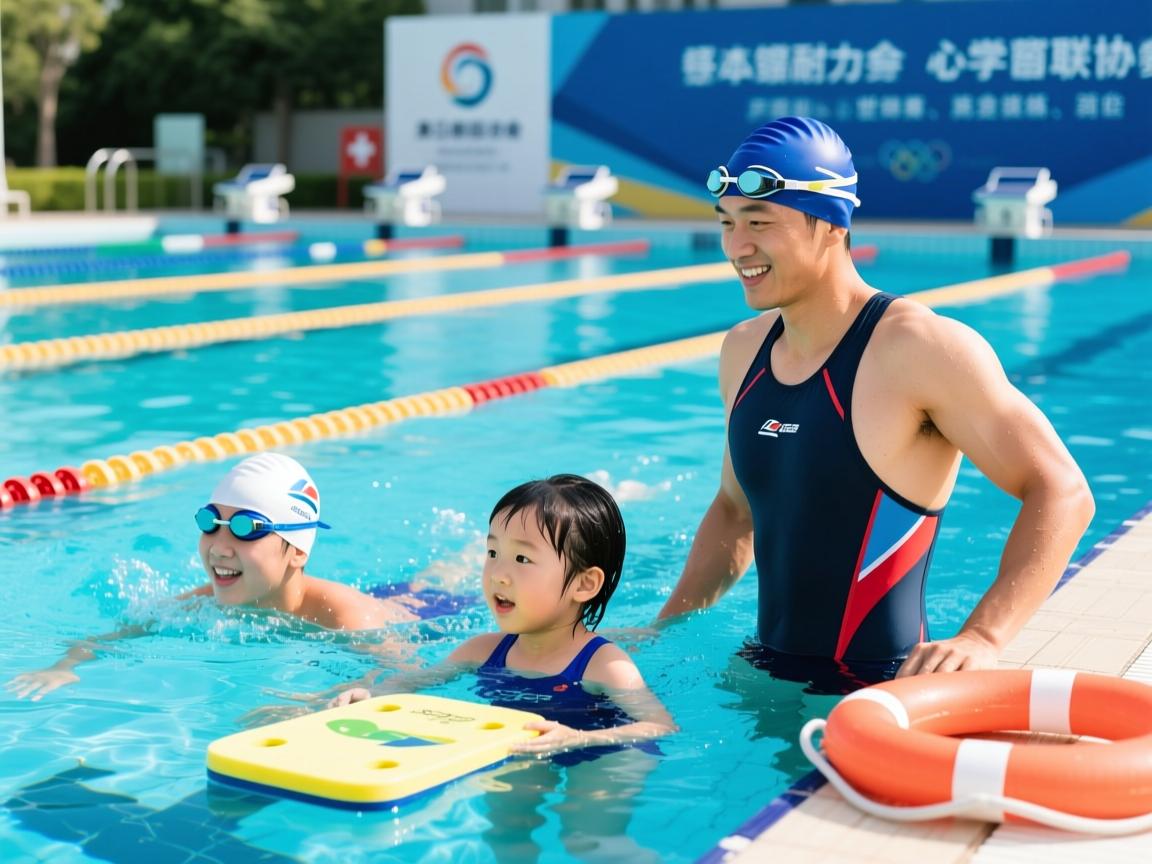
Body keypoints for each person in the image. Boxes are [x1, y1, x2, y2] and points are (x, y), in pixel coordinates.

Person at [657, 116, 1094, 683]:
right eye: (728, 223)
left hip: (878, 686)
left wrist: (983, 637)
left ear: (833, 225)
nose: (737, 247)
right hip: (762, 674)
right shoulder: (743, 350)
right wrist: (662, 635)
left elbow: (1063, 490)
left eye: (759, 222)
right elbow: (735, 512)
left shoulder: (919, 347)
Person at [333, 473, 674, 862]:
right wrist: (372, 696)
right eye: (493, 553)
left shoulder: (605, 665)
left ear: (584, 584)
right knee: (506, 834)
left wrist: (578, 739)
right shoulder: (482, 650)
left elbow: (660, 725)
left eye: (522, 558)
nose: (498, 573)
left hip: (603, 752)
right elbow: (413, 681)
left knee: (587, 840)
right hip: (528, 746)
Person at [7, 452, 466, 701]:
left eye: (247, 528)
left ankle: (464, 559)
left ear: (297, 551)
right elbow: (118, 635)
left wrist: (311, 704)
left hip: (429, 614)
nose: (220, 546)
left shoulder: (347, 615)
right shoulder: (202, 600)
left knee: (442, 582)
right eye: (211, 522)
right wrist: (63, 667)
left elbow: (411, 673)